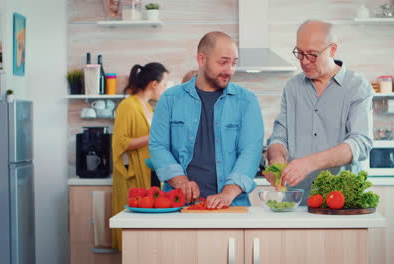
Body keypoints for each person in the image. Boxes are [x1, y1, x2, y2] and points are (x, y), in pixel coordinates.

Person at [149, 31, 264, 208]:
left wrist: (227, 193)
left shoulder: (247, 101)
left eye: (234, 63)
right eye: (223, 62)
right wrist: (181, 183)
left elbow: (250, 151)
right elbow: (158, 146)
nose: (230, 70)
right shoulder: (170, 99)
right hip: (177, 205)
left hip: (231, 205)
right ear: (202, 60)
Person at [265, 20, 374, 202]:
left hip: (342, 202)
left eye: (313, 55)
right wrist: (276, 160)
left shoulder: (358, 87)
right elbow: (279, 137)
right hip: (297, 200)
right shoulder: (293, 87)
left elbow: (360, 143)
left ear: (332, 50)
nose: (305, 62)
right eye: (299, 53)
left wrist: (309, 163)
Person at [111, 62, 169, 250]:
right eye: (164, 84)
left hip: (149, 172)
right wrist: (154, 136)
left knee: (147, 232)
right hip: (133, 175)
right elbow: (122, 143)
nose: (164, 88)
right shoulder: (128, 105)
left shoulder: (148, 107)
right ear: (154, 84)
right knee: (133, 232)